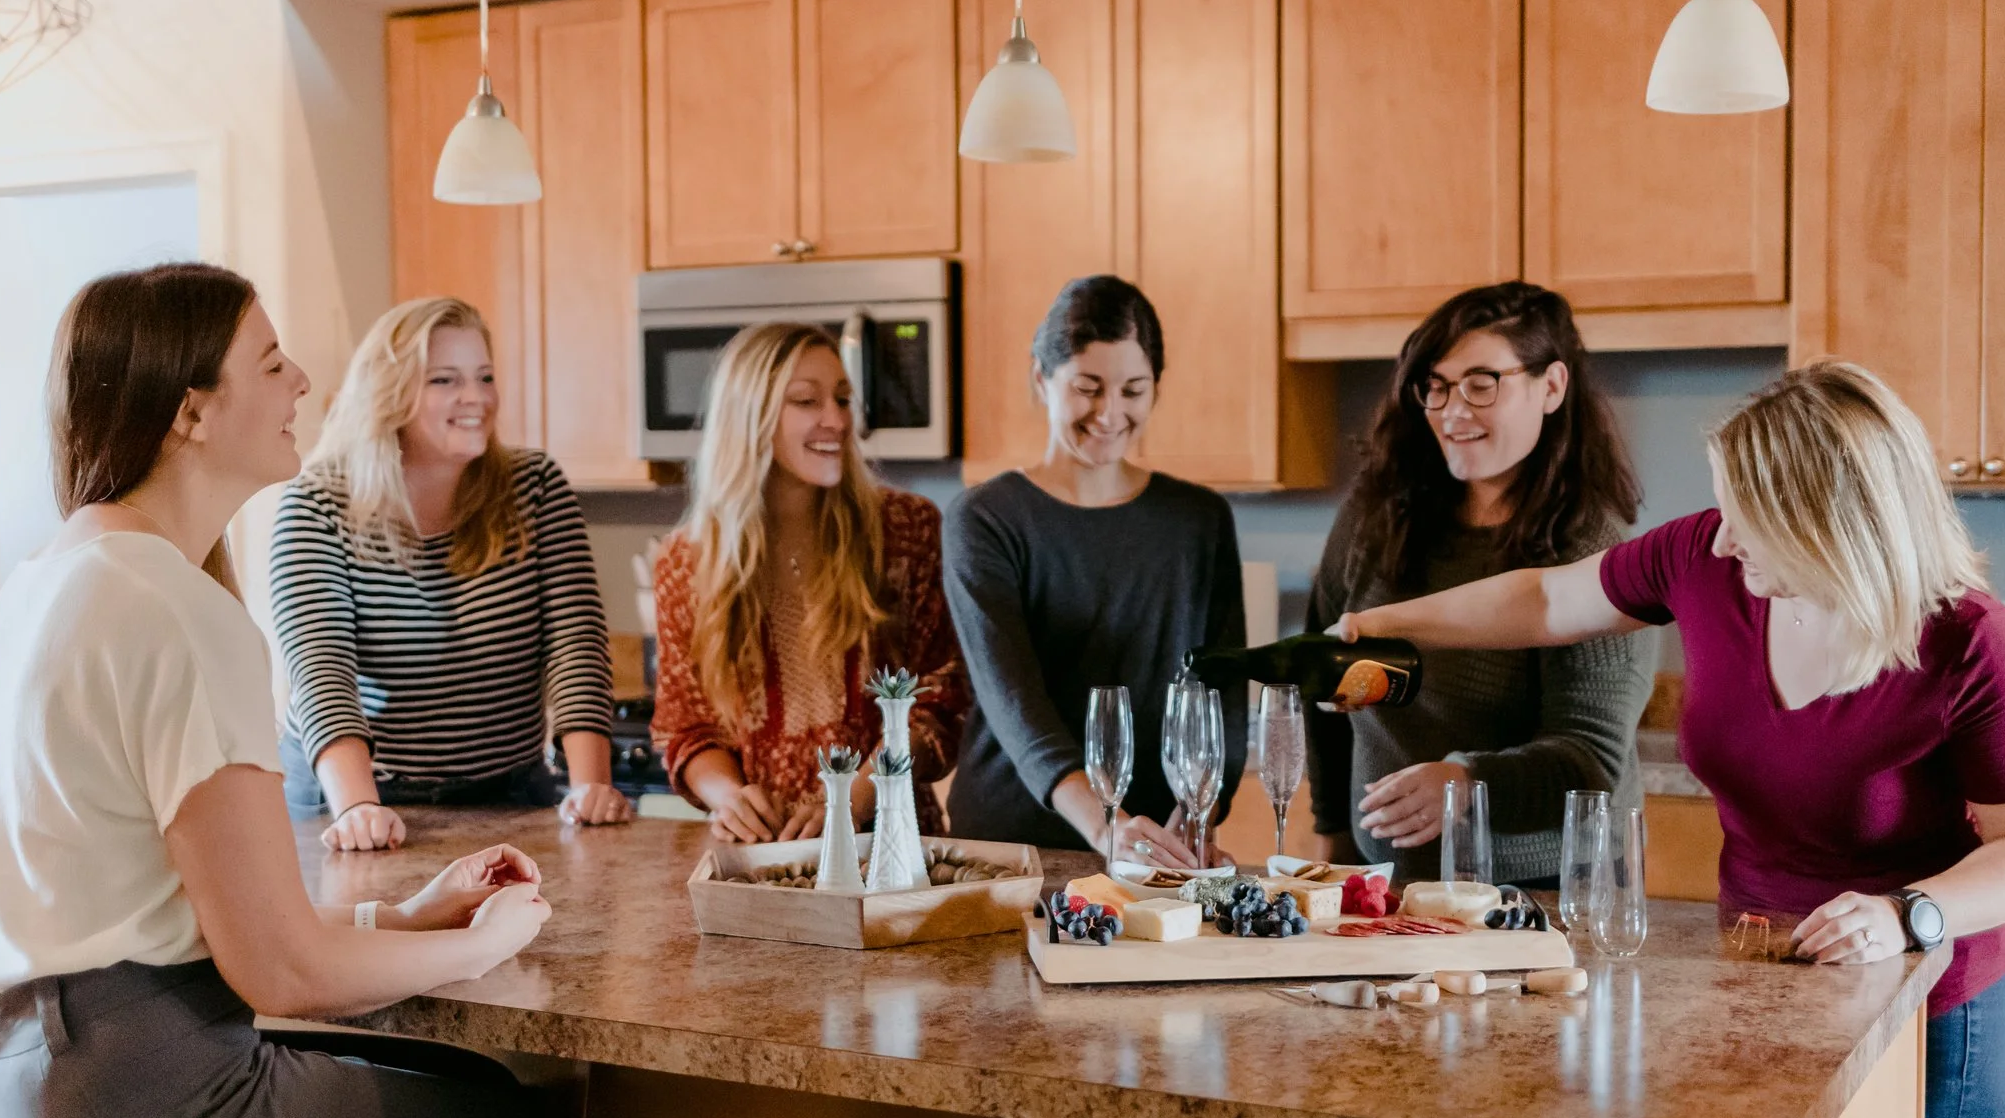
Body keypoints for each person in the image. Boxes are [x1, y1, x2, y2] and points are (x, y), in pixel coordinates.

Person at [1334, 359, 2005, 1118]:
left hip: (1941, 1004)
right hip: (1763, 987)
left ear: (1832, 521)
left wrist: (1906, 911)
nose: (1722, 538)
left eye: (1752, 519)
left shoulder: (1968, 641)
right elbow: (1547, 597)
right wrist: (1379, 624)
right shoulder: (1704, 560)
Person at [0, 262, 592, 1118]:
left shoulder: (49, 580)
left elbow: (156, 906)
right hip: (131, 1117)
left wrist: (398, 915)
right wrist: (481, 944)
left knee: (437, 1094)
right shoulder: (181, 614)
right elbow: (278, 968)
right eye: (271, 361)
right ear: (190, 409)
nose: (303, 382)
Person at [1309, 283, 1655, 885]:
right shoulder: (1376, 517)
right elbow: (1328, 674)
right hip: (1390, 885)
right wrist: (1332, 841)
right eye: (1437, 387)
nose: (1452, 411)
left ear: (1551, 387)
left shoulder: (1592, 549)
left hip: (1545, 898)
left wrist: (1465, 782)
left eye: (1481, 383)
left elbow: (1589, 759)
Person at [270, 296, 633, 853]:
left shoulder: (533, 487)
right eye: (445, 380)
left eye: (484, 377)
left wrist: (591, 788)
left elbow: (575, 644)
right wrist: (359, 807)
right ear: (389, 394)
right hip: (350, 793)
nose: (476, 398)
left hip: (508, 787)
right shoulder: (318, 504)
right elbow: (322, 666)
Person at [942, 275, 1247, 866]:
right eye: (1088, 388)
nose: (1110, 413)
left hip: (1152, 845)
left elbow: (1224, 687)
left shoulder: (1199, 519)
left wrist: (1204, 808)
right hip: (1012, 845)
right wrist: (1105, 827)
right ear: (1041, 378)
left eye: (1134, 390)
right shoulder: (984, 519)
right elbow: (1014, 703)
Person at [652, 322, 969, 843]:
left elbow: (939, 700)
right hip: (767, 855)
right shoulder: (686, 562)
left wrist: (855, 799)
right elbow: (688, 730)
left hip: (891, 850)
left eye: (843, 399)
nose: (837, 420)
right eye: (806, 401)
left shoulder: (905, 530)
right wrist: (730, 799)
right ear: (749, 418)